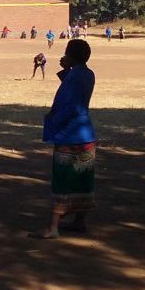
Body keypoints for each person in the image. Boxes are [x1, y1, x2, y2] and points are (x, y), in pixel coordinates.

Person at [30, 39, 96, 239]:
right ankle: (79, 221)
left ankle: (52, 226)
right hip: (86, 133)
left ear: (71, 55)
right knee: (83, 179)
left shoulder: (74, 76)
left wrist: (52, 118)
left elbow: (69, 102)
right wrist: (68, 68)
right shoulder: (87, 73)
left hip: (70, 134)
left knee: (62, 180)